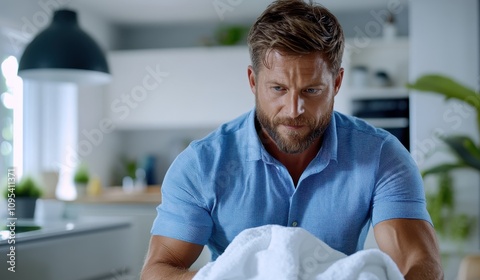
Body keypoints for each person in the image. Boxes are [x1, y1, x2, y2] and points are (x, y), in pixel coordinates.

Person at [141, 0, 443, 279]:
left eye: (311, 90)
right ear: (253, 81)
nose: (294, 110)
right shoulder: (201, 165)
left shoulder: (381, 156)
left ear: (336, 82)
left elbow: (419, 263)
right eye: (278, 89)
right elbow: (158, 270)